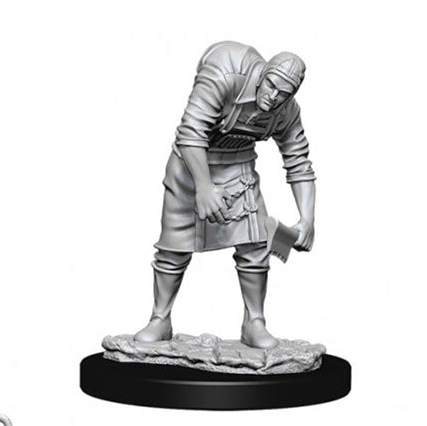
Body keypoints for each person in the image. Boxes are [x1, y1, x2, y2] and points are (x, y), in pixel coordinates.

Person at [134, 41, 316, 349]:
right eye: (271, 85)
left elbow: (298, 160)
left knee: (256, 246)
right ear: (263, 75)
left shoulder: (286, 111)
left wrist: (307, 218)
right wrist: (204, 187)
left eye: (283, 93)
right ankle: (159, 318)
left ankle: (254, 322)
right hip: (191, 164)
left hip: (238, 167)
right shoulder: (225, 70)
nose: (273, 97)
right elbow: (190, 130)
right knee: (174, 248)